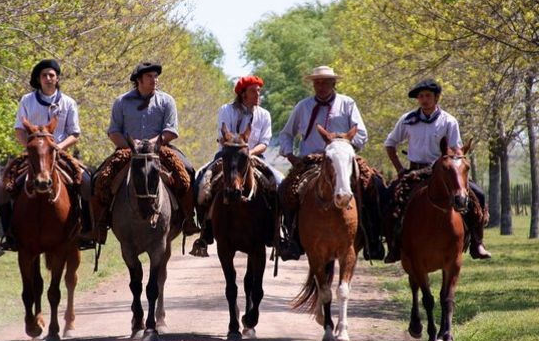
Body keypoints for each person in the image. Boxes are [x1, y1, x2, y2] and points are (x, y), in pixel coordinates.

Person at [277, 65, 384, 261]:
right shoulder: (303, 106)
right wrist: (291, 155)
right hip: (311, 160)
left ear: (334, 83)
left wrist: (345, 146)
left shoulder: (347, 103)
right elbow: (286, 133)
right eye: (317, 82)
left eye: (325, 82)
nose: (321, 86)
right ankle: (291, 239)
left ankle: (373, 239)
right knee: (285, 189)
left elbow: (361, 133)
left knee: (373, 184)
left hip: (342, 157)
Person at [91, 61, 200, 244]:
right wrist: (129, 148)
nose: (154, 80)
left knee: (187, 171)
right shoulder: (121, 102)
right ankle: (100, 225)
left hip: (160, 149)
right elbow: (114, 131)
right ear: (138, 80)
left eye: (156, 76)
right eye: (150, 76)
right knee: (99, 178)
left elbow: (171, 131)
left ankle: (189, 220)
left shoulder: (166, 101)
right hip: (128, 151)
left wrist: (150, 144)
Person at [383, 79, 491, 262]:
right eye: (421, 96)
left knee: (478, 195)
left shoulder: (448, 121)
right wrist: (400, 169)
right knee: (389, 197)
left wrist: (452, 167)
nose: (424, 100)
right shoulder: (407, 120)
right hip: (415, 173)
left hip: (444, 172)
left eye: (428, 96)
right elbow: (390, 144)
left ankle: (477, 242)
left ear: (436, 98)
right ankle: (393, 245)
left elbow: (457, 150)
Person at [0, 59, 93, 250]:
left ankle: (86, 231)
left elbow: (75, 133)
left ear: (57, 79)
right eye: (44, 75)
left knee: (87, 182)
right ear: (38, 79)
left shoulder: (68, 102)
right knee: (0, 188)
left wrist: (58, 147)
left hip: (60, 153)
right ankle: (9, 234)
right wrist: (31, 148)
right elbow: (19, 130)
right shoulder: (26, 100)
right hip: (33, 154)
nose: (48, 78)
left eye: (52, 75)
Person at [189, 75, 283, 257]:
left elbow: (265, 141)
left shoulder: (264, 114)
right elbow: (222, 135)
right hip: (227, 154)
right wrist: (234, 149)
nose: (258, 95)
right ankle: (204, 229)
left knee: (279, 183)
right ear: (242, 94)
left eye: (258, 91)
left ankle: (277, 231)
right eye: (253, 91)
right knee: (201, 182)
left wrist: (250, 153)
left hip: (255, 155)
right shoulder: (227, 110)